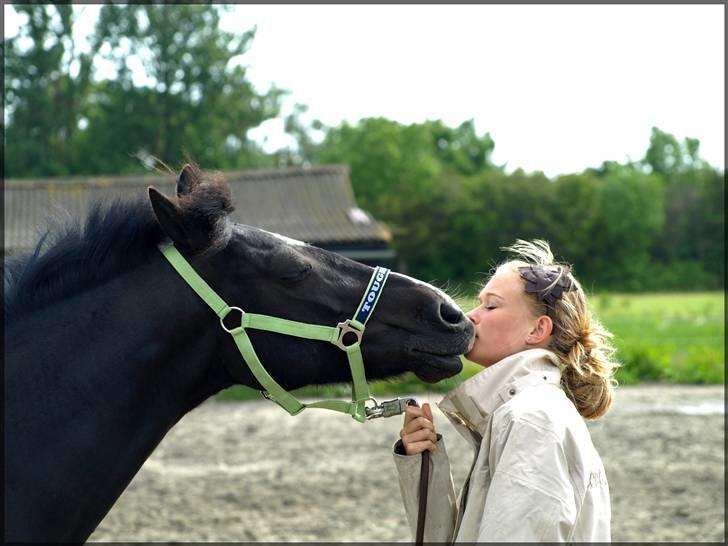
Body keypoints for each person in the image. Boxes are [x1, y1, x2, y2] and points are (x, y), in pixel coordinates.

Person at [393, 239, 619, 542]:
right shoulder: (523, 414)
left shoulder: (532, 421)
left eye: (491, 305)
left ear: (537, 330)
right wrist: (426, 466)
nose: (471, 316)